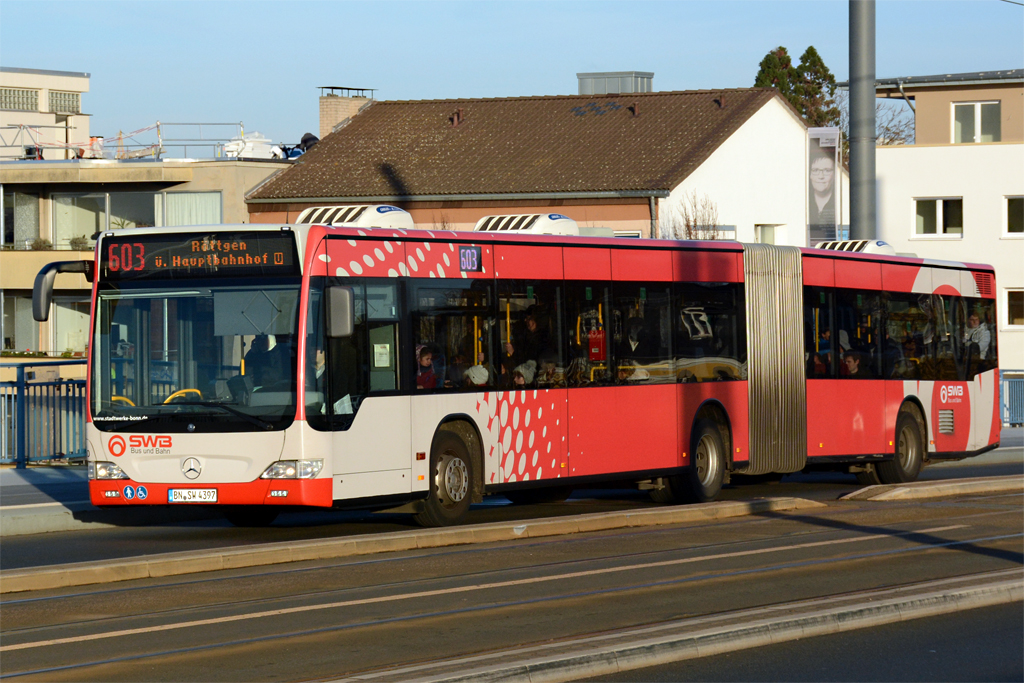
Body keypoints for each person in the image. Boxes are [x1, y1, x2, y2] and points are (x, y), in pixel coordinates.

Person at [808, 147, 836, 231]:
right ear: (810, 175)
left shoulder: (841, 202)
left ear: (834, 174)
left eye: (827, 171)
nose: (821, 176)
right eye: (815, 170)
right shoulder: (804, 203)